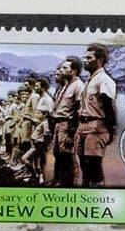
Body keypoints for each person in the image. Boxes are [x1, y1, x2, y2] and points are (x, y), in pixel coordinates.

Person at [76, 44, 118, 187]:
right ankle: (85, 192)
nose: (85, 60)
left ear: (99, 60)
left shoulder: (104, 80)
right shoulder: (90, 80)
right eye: (84, 57)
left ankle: (96, 193)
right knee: (84, 165)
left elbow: (108, 106)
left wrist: (111, 129)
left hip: (96, 126)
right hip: (83, 125)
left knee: (93, 165)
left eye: (89, 58)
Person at [49, 58, 84, 186]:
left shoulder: (78, 85)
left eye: (65, 68)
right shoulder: (66, 85)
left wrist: (72, 131)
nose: (61, 70)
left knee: (67, 155)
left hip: (68, 124)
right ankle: (58, 181)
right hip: (59, 124)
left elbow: (79, 109)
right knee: (58, 154)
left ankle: (70, 184)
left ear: (73, 71)